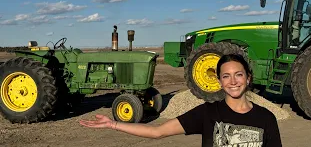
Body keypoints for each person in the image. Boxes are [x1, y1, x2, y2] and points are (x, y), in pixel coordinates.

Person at [79, 54, 282, 147]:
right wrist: (114, 124)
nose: (233, 81)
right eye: (226, 76)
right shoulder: (208, 113)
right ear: (219, 82)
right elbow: (157, 132)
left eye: (238, 74)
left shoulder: (266, 118)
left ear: (248, 78)